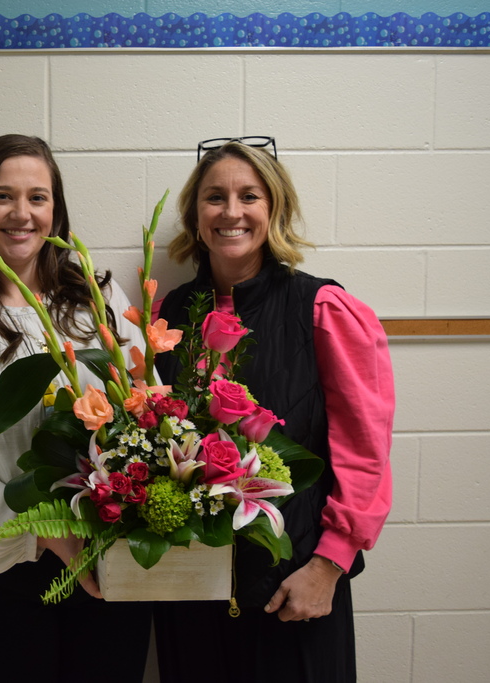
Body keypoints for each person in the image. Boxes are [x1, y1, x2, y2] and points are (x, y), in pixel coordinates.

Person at [0, 134, 152, 682]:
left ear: (56, 212)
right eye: (2, 197)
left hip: (104, 554)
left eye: (38, 197)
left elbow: (146, 407)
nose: (22, 213)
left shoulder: (97, 304)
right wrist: (45, 533)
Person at [153, 137, 394, 683]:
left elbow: (365, 453)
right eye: (214, 197)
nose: (231, 212)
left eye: (249, 196)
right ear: (195, 215)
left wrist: (329, 565)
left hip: (295, 584)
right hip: (189, 589)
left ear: (274, 208)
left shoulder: (324, 309)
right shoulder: (168, 313)